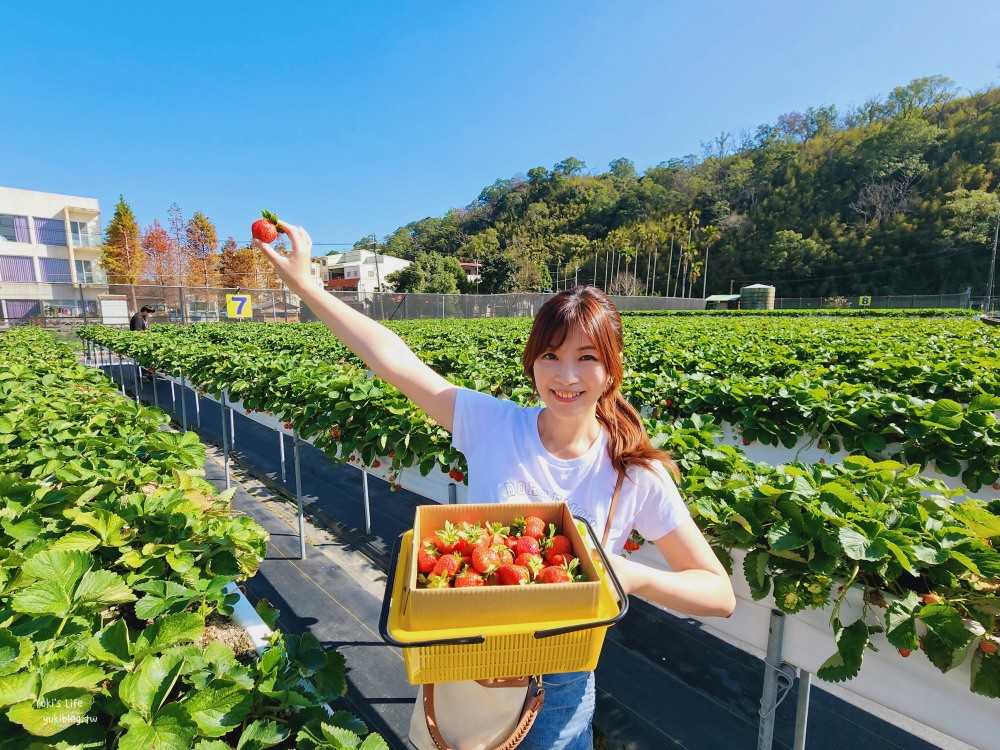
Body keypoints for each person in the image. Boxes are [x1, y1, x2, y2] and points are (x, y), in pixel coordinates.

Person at [254, 222, 736, 750]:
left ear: (611, 370)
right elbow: (394, 359)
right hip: (471, 664)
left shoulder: (634, 472)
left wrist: (627, 575)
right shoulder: (493, 425)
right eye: (550, 356)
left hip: (563, 682)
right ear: (532, 363)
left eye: (586, 358)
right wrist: (307, 287)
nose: (565, 375)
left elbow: (718, 594)